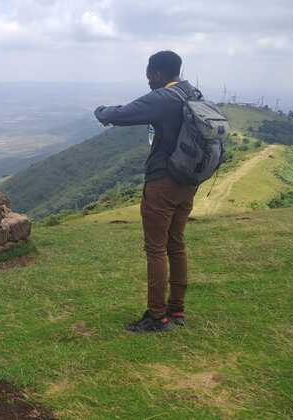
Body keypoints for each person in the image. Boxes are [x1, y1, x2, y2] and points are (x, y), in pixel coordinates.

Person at [94, 50, 197, 332]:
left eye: (149, 74)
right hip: (188, 181)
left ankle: (157, 316)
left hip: (163, 181)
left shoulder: (163, 97)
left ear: (159, 73)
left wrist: (100, 111)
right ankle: (177, 310)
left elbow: (124, 114)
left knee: (155, 249)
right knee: (176, 244)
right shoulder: (192, 92)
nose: (148, 80)